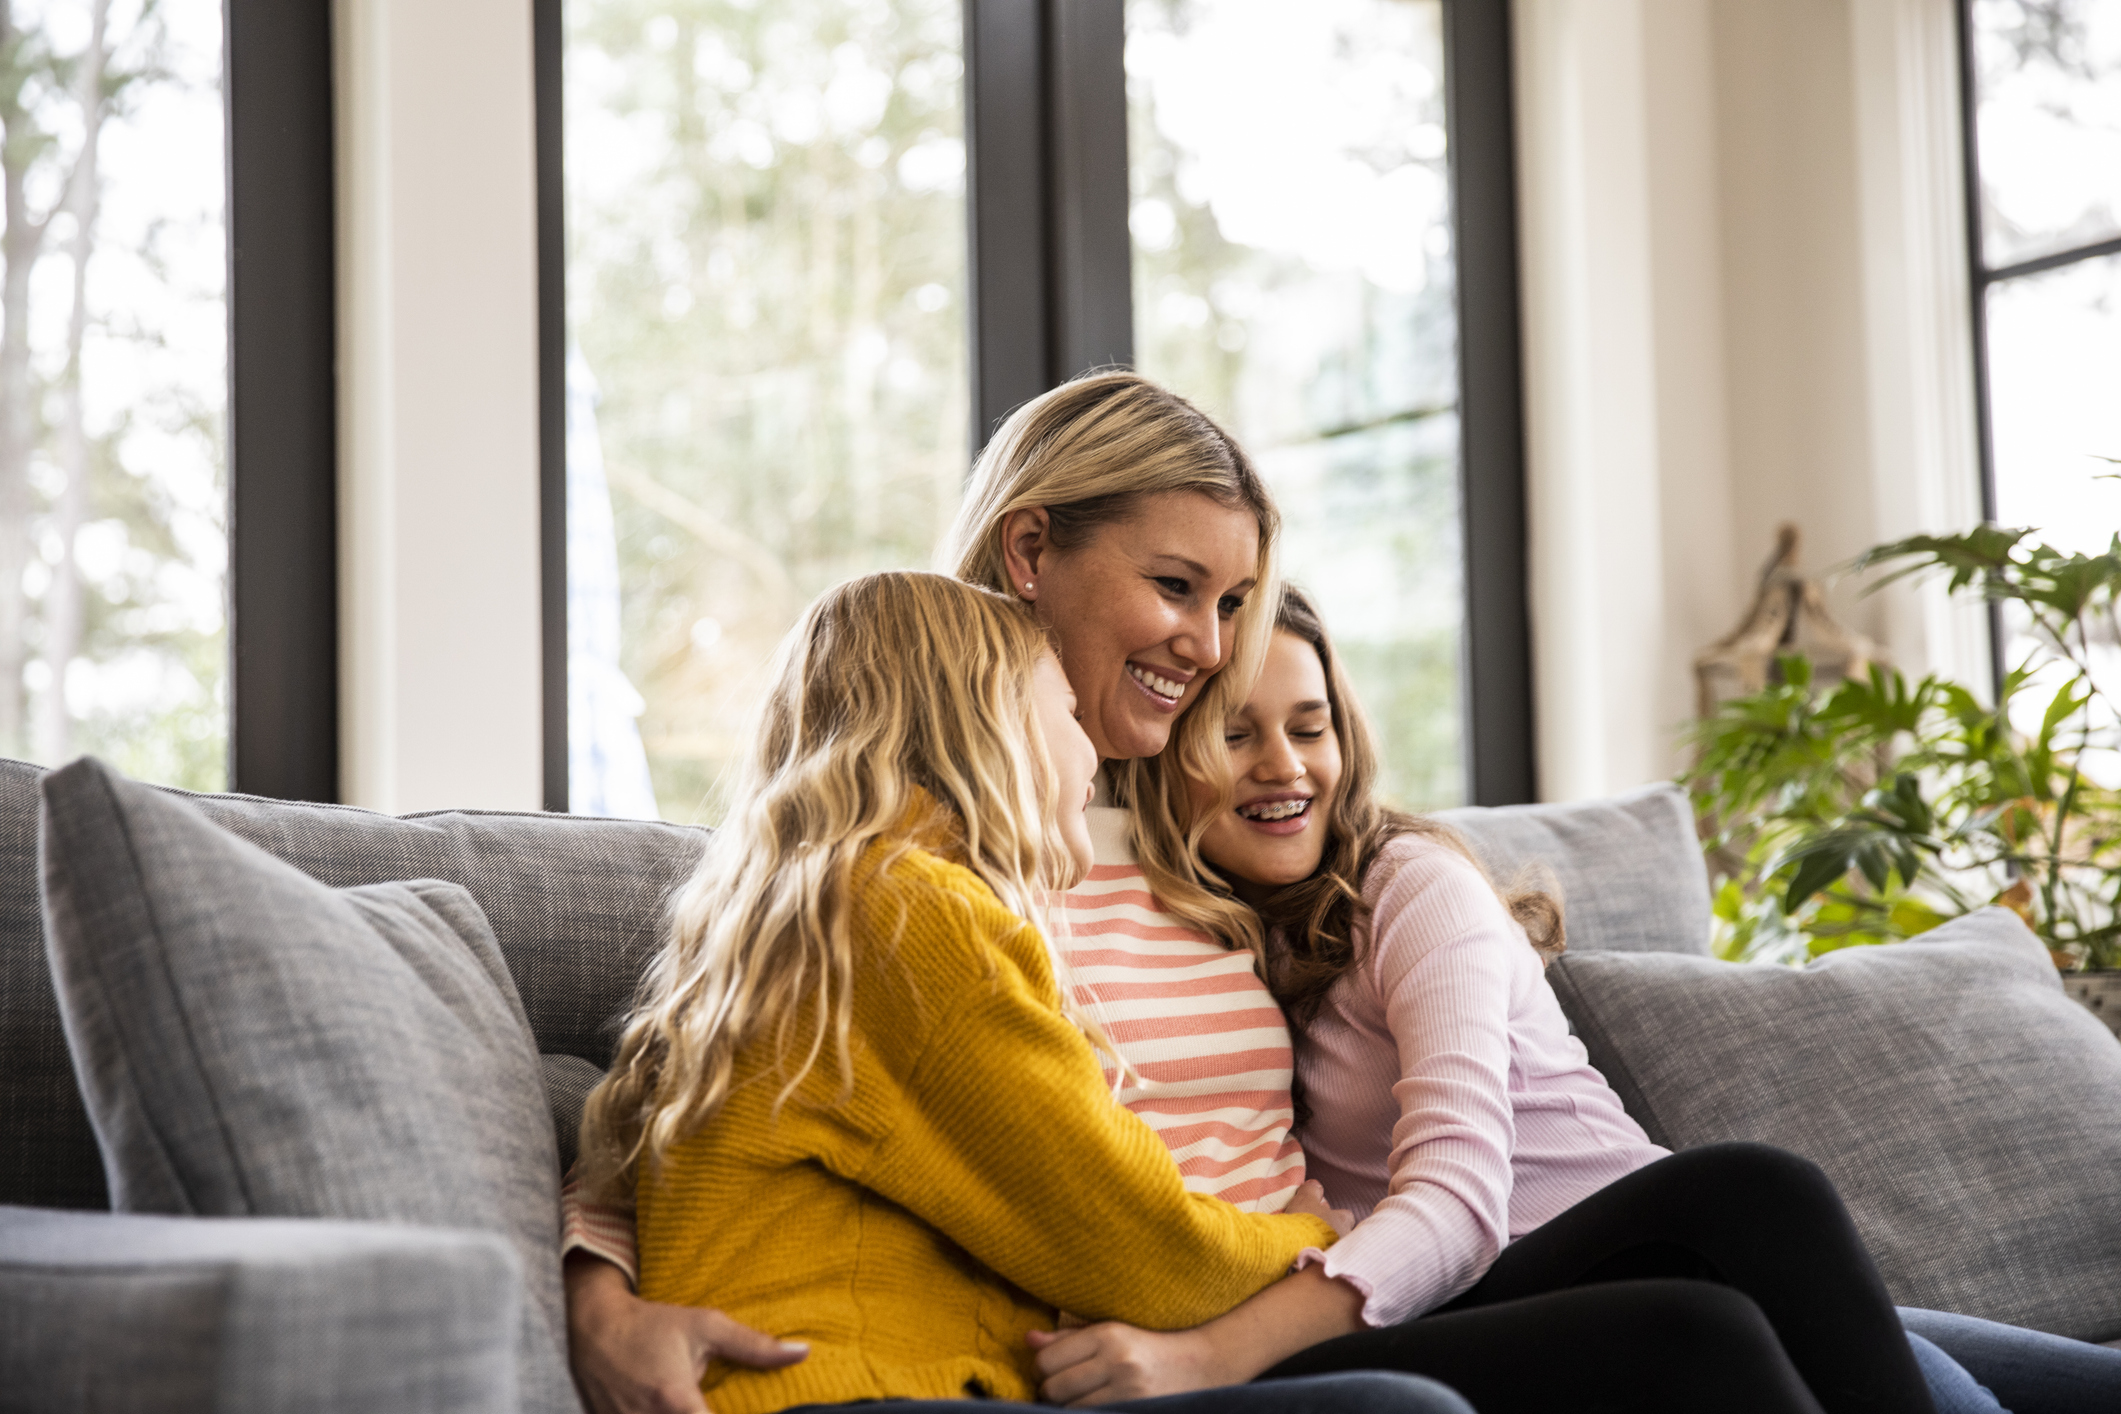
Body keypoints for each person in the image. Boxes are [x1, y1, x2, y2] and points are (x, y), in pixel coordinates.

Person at [1031, 586, 2121, 1414]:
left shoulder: (1407, 882)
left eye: (1309, 726)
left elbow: (1458, 1192)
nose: (1285, 766)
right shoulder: (1194, 936)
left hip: (1624, 1248)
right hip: (1498, 1300)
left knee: (1807, 1232)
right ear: (1168, 756)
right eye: (1236, 731)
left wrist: (1214, 1355)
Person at [570, 571, 1472, 1414]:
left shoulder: (807, 899)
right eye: (1067, 714)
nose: (1087, 754)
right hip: (857, 1388)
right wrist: (1300, 1235)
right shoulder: (908, 911)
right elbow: (1130, 1242)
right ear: (990, 722)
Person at [563, 371, 1293, 1413]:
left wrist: (1333, 1278)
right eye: (1177, 587)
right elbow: (671, 1108)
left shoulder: (1243, 826)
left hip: (1264, 1318)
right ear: (1030, 549)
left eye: (1232, 604)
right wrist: (594, 1296)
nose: (1214, 647)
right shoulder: (866, 869)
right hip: (1045, 1350)